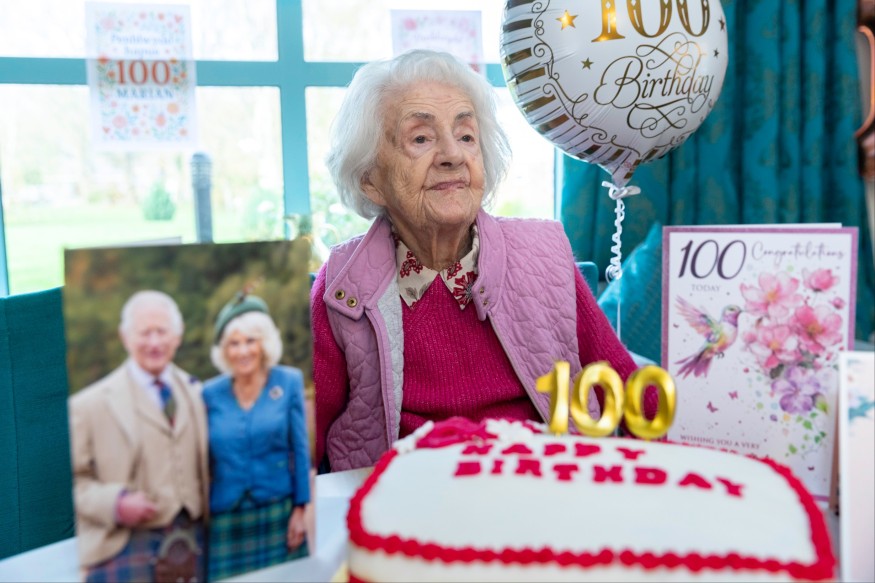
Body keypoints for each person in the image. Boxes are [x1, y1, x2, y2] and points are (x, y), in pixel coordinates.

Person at [311, 49, 657, 473]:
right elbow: (297, 436)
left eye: (466, 136)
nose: (452, 155)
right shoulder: (342, 286)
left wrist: (684, 473)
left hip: (541, 485)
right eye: (420, 138)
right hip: (406, 494)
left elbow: (625, 386)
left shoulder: (544, 254)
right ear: (371, 180)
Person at [68, 290, 208, 583]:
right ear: (125, 337)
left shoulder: (199, 393)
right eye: (145, 333)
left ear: (177, 336)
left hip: (196, 539)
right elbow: (74, 483)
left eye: (162, 331)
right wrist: (115, 504)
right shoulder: (87, 406)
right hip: (125, 543)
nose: (154, 343)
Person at [202, 292, 311, 581]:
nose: (243, 351)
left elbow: (300, 451)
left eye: (251, 340)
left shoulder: (288, 382)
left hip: (278, 509)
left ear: (264, 344)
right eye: (234, 343)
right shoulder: (208, 394)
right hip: (226, 515)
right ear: (224, 350)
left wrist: (300, 510)